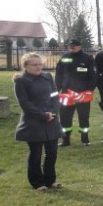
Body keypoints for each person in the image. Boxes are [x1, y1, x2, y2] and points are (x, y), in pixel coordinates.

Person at [13, 53, 64, 191]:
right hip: (33, 122)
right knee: (36, 154)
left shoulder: (48, 77)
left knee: (52, 152)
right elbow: (25, 103)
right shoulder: (21, 81)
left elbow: (55, 96)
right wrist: (42, 115)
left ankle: (50, 181)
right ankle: (37, 183)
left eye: (40, 64)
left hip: (51, 120)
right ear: (26, 66)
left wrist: (53, 112)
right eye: (34, 65)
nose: (38, 67)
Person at [55, 38, 97, 147]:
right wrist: (57, 88)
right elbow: (59, 75)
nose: (72, 47)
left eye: (74, 45)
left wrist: (89, 90)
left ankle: (85, 139)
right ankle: (65, 139)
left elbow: (93, 76)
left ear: (80, 46)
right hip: (66, 93)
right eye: (70, 46)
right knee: (65, 117)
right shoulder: (64, 58)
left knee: (83, 117)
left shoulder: (87, 58)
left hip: (82, 94)